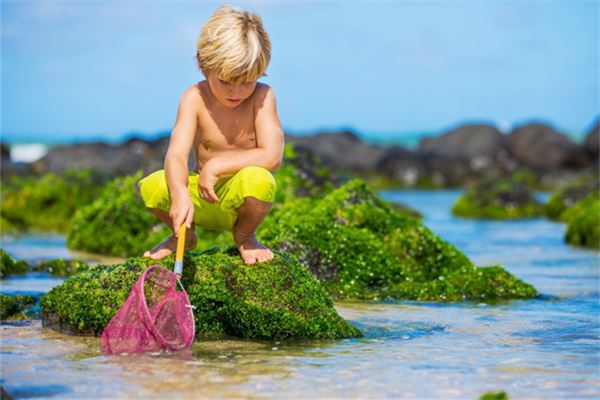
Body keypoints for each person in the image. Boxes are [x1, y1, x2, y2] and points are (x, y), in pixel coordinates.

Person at [137, 4, 283, 265]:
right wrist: (181, 194)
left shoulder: (263, 97)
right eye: (225, 81)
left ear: (260, 71)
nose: (236, 92)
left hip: (238, 200)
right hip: (199, 201)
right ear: (204, 67)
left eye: (247, 81)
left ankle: (245, 235)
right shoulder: (194, 98)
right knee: (153, 185)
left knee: (260, 179)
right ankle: (184, 234)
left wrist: (218, 164)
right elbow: (177, 155)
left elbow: (272, 156)